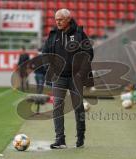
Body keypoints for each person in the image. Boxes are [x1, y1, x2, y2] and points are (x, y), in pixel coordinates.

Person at [42, 9, 94, 149]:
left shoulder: (79, 34)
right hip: (59, 76)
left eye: (60, 19)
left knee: (78, 107)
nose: (57, 22)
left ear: (68, 19)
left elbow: (89, 53)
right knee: (57, 105)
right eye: (56, 19)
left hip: (75, 77)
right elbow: (45, 52)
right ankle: (60, 139)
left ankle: (80, 136)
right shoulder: (53, 35)